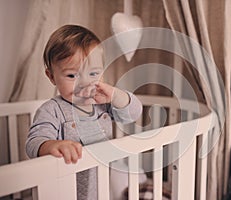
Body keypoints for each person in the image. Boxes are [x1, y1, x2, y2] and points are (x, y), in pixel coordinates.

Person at [25, 24, 143, 200]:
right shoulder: (52, 110)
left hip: (101, 187)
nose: (84, 83)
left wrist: (115, 95)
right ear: (51, 76)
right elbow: (34, 142)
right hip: (63, 192)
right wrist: (52, 146)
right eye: (72, 76)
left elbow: (134, 113)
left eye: (94, 74)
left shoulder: (102, 104)